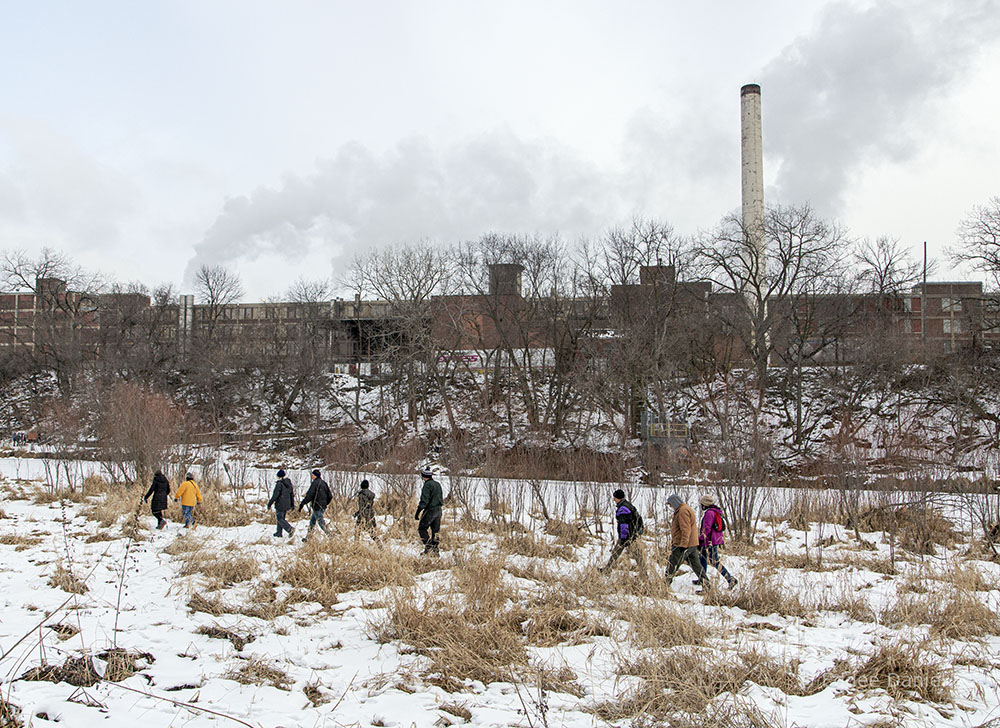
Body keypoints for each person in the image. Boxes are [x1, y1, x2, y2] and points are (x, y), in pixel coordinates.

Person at [664, 493, 709, 591]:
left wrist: (683, 544)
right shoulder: (684, 508)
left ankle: (664, 586)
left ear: (675, 502)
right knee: (696, 566)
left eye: (670, 504)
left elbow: (686, 529)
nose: (670, 506)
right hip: (691, 544)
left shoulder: (682, 511)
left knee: (672, 564)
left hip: (683, 544)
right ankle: (707, 586)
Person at [696, 495, 737, 588]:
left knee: (714, 561)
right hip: (713, 540)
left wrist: (701, 539)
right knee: (702, 558)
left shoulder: (709, 513)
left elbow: (706, 528)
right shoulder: (715, 511)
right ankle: (702, 579)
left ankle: (730, 579)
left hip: (709, 541)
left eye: (702, 504)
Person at [599, 489, 644, 573]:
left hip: (628, 536)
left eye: (614, 497)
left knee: (617, 552)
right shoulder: (628, 505)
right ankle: (644, 574)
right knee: (638, 556)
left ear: (617, 498)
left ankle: (607, 570)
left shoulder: (622, 509)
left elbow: (624, 525)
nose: (614, 499)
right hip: (634, 534)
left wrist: (623, 539)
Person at [414, 467, 443, 555]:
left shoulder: (427, 485)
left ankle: (428, 547)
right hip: (439, 510)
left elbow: (424, 500)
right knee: (436, 531)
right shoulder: (437, 484)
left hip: (430, 510)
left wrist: (418, 511)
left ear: (424, 476)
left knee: (422, 529)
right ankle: (435, 550)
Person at [299, 469, 332, 541]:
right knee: (312, 522)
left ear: (315, 476)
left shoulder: (315, 483)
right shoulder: (324, 483)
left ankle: (330, 535)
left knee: (321, 522)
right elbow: (330, 496)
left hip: (317, 506)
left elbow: (309, 495)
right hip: (322, 506)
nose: (312, 476)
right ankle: (308, 537)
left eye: (312, 475)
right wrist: (325, 503)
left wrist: (302, 503)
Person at [267, 469, 296, 538]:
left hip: (280, 504)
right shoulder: (288, 483)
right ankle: (279, 532)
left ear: (278, 476)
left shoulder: (279, 484)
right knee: (281, 518)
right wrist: (292, 504)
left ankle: (290, 529)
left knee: (280, 518)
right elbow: (291, 494)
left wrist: (269, 503)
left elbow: (275, 495)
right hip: (287, 504)